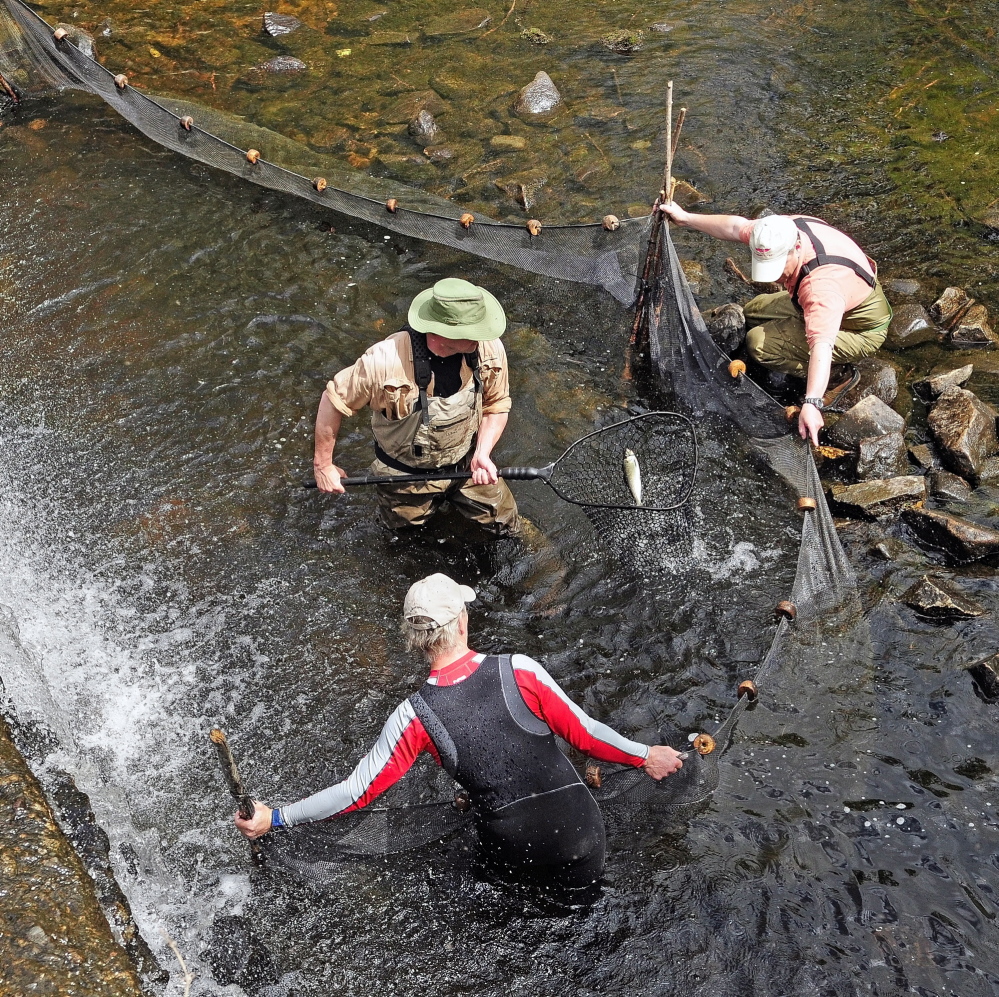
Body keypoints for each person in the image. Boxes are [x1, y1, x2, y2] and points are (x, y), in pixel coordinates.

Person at [235, 573, 684, 895]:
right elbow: (586, 736)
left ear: (415, 640)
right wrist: (646, 755)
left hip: (513, 850)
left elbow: (356, 793)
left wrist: (275, 817)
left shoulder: (413, 716)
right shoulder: (520, 670)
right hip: (580, 837)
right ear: (463, 622)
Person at [660, 203, 892, 446]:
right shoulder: (778, 232)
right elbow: (734, 226)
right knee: (752, 311)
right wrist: (686, 218)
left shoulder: (820, 289)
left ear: (797, 248)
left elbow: (821, 346)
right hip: (833, 299)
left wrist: (812, 403)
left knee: (758, 343)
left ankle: (837, 375)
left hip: (858, 328)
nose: (775, 277)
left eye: (779, 267)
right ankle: (798, 331)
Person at [313, 277, 520, 536]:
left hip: (467, 464)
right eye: (475, 330)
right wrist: (323, 466)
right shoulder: (383, 361)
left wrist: (483, 453)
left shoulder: (488, 347)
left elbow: (496, 405)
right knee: (405, 540)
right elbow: (333, 401)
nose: (486, 335)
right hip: (405, 476)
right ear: (442, 333)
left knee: (507, 526)